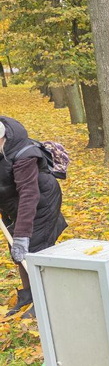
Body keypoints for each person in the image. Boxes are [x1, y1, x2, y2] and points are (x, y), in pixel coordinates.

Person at [0, 116, 67, 317]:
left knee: (33, 246)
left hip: (39, 201)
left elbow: (29, 194)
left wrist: (23, 235)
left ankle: (45, 300)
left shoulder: (24, 155)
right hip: (12, 202)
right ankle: (29, 294)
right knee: (17, 250)